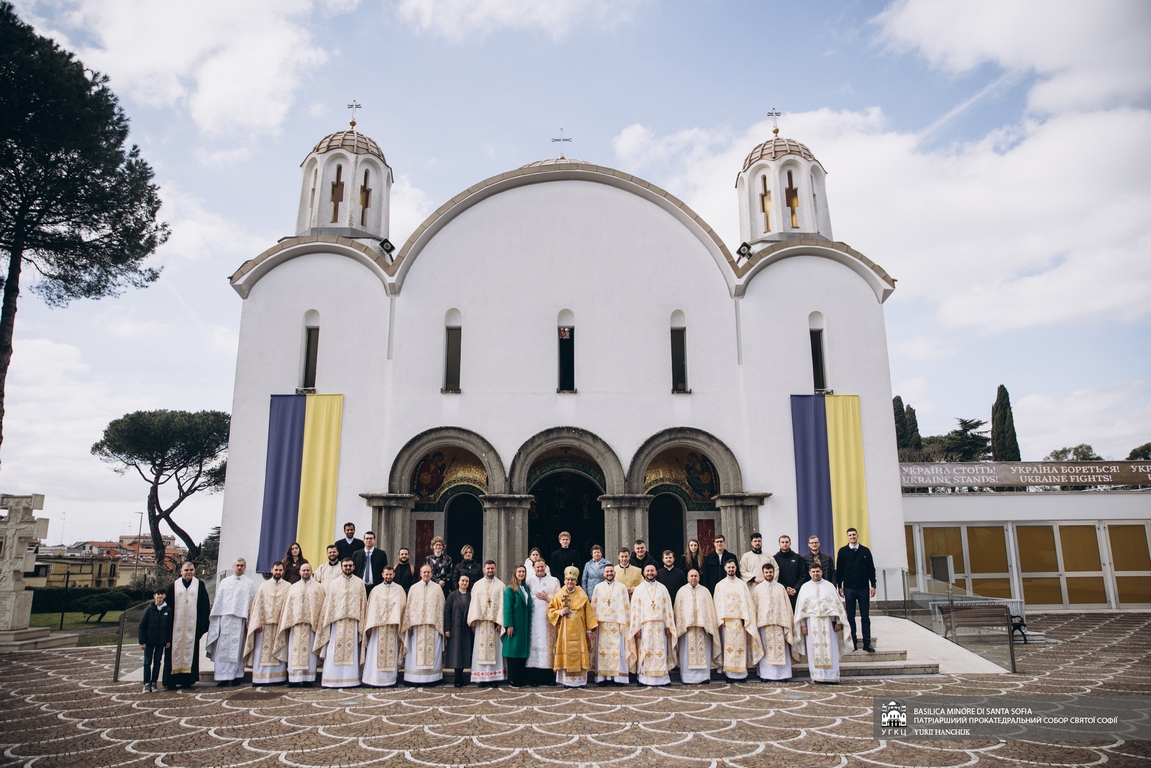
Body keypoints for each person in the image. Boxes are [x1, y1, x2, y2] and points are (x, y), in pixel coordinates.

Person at [312, 557, 367, 688]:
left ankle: (352, 679)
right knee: (333, 650)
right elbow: (328, 605)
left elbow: (363, 605)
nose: (348, 568)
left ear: (354, 567)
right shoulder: (334, 583)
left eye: (350, 566)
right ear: (341, 567)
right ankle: (332, 678)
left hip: (353, 623)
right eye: (345, 566)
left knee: (352, 650)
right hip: (336, 623)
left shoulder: (359, 583)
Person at [794, 562, 849, 683]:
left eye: (817, 571)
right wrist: (803, 625)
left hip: (829, 623)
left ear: (822, 572)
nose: (815, 574)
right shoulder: (805, 588)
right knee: (814, 650)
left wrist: (839, 621)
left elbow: (838, 606)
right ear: (809, 573)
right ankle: (817, 676)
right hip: (811, 623)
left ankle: (832, 676)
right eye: (813, 572)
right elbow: (800, 609)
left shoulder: (829, 586)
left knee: (831, 649)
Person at [206, 558, 257, 687]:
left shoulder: (249, 583)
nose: (239, 568)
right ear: (233, 566)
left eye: (242, 565)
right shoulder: (225, 582)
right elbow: (219, 600)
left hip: (240, 619)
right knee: (222, 647)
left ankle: (236, 676)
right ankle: (222, 676)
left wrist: (250, 621)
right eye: (237, 565)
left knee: (238, 648)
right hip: (225, 618)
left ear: (245, 567)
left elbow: (252, 603)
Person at [273, 562, 325, 687]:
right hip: (295, 627)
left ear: (311, 572)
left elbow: (321, 608)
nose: (306, 572)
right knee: (294, 653)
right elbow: (288, 607)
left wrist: (319, 625)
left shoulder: (318, 588)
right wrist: (287, 624)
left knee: (310, 655)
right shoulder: (293, 588)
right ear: (299, 572)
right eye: (303, 570)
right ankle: (294, 679)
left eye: (308, 570)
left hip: (310, 627)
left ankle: (308, 679)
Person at [712, 559, 763, 681]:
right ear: (725, 568)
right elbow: (717, 604)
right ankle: (729, 674)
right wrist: (720, 620)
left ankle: (741, 674)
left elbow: (748, 603)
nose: (731, 569)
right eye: (729, 567)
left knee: (741, 647)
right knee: (727, 648)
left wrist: (746, 619)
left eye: (733, 567)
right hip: (726, 623)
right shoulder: (720, 585)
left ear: (736, 568)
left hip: (740, 622)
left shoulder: (742, 584)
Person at [164, 561, 211, 690]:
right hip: (175, 627)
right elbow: (167, 606)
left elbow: (204, 606)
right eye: (186, 570)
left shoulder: (199, 585)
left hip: (192, 627)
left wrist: (201, 626)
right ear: (181, 571)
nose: (189, 572)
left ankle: (187, 680)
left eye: (191, 570)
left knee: (190, 651)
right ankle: (171, 680)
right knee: (173, 651)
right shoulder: (173, 586)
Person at [628, 564, 677, 686]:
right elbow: (634, 610)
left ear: (656, 572)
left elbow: (668, 608)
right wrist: (636, 628)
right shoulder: (638, 589)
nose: (650, 573)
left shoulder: (662, 588)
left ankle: (663, 679)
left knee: (661, 650)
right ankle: (644, 679)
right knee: (645, 651)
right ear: (644, 573)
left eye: (652, 570)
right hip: (645, 626)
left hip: (660, 626)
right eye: (648, 571)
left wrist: (668, 625)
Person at [548, 566, 597, 687]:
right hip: (564, 630)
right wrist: (560, 612)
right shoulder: (559, 594)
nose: (570, 582)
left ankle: (580, 681)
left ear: (576, 581)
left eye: (572, 580)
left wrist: (589, 630)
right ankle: (566, 681)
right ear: (564, 581)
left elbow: (589, 613)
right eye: (568, 580)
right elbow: (550, 610)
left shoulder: (582, 594)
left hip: (580, 630)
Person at [244, 561, 291, 685]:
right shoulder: (263, 586)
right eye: (276, 570)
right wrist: (256, 623)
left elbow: (289, 607)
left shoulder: (288, 586)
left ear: (283, 571)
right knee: (261, 651)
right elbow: (257, 605)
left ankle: (278, 677)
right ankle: (260, 677)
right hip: (264, 626)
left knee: (279, 650)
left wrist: (287, 624)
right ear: (271, 570)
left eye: (280, 570)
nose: (278, 572)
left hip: (279, 626)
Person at [673, 568, 721, 685]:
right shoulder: (682, 591)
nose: (693, 578)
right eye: (691, 576)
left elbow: (709, 610)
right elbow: (678, 611)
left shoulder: (705, 591)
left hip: (702, 629)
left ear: (699, 578)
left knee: (703, 651)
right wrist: (682, 625)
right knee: (687, 654)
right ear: (687, 578)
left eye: (695, 576)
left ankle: (704, 677)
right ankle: (687, 677)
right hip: (686, 630)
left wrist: (707, 625)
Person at [362, 565, 407, 688]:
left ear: (394, 575)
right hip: (378, 628)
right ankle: (374, 680)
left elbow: (403, 609)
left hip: (393, 628)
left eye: (390, 574)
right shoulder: (376, 590)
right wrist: (370, 625)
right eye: (386, 574)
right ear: (382, 575)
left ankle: (391, 680)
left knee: (391, 653)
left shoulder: (399, 590)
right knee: (375, 653)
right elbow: (371, 609)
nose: (388, 576)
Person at [402, 564, 446, 685]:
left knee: (433, 652)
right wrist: (409, 625)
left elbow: (441, 607)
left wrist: (440, 625)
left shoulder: (437, 589)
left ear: (432, 574)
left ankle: (433, 678)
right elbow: (409, 607)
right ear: (420, 574)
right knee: (416, 652)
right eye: (424, 572)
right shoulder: (413, 588)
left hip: (433, 626)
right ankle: (414, 678)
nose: (426, 574)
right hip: (417, 627)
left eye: (428, 572)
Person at [752, 562, 796, 682]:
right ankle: (766, 675)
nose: (769, 574)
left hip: (779, 623)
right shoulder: (758, 589)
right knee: (766, 650)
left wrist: (787, 620)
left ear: (774, 573)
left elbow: (786, 605)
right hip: (764, 624)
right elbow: (754, 606)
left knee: (782, 648)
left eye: (770, 572)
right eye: (766, 572)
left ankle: (783, 674)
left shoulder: (780, 587)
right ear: (763, 573)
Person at [836, 527, 876, 652]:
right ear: (847, 537)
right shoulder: (842, 552)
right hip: (849, 588)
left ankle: (867, 643)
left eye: (854, 535)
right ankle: (853, 642)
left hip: (863, 588)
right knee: (851, 616)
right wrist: (840, 586)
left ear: (857, 536)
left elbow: (871, 569)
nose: (852, 537)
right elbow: (840, 570)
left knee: (865, 616)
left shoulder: (865, 551)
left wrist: (873, 585)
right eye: (850, 535)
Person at [467, 560, 507, 686]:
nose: (490, 571)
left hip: (495, 624)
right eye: (488, 568)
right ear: (484, 570)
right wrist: (473, 623)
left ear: (495, 569)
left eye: (492, 568)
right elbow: (473, 604)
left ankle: (495, 678)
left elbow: (503, 605)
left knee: (495, 649)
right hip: (481, 623)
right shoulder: (477, 585)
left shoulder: (501, 586)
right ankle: (482, 678)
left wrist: (501, 621)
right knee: (481, 649)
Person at [590, 563, 631, 686]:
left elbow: (626, 606)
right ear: (603, 574)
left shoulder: (622, 587)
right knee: (602, 651)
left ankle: (619, 678)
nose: (609, 574)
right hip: (602, 624)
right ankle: (603, 678)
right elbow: (594, 606)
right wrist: (593, 624)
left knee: (618, 651)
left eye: (611, 571)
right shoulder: (598, 587)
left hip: (617, 623)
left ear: (615, 573)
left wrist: (625, 623)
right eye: (607, 572)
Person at [526, 558, 560, 686]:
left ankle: (548, 677)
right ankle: (533, 678)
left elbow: (559, 599)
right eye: (537, 567)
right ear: (534, 568)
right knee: (534, 645)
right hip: (533, 619)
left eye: (542, 566)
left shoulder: (554, 581)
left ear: (546, 566)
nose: (540, 569)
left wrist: (547, 597)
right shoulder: (529, 581)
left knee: (547, 645)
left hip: (547, 619)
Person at [502, 564, 532, 687]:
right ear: (515, 573)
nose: (521, 574)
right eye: (519, 572)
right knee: (513, 652)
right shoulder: (510, 589)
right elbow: (507, 608)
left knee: (521, 652)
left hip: (524, 624)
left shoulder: (526, 588)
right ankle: (513, 679)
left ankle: (520, 677)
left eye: (523, 572)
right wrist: (509, 625)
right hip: (515, 624)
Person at [137, 588, 171, 693]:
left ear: (164, 596)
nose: (159, 596)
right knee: (147, 662)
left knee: (157, 662)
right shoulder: (148, 609)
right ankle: (146, 683)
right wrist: (142, 641)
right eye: (158, 594)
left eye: (162, 594)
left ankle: (154, 682)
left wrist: (168, 640)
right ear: (154, 596)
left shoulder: (168, 610)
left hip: (160, 641)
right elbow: (141, 626)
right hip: (149, 640)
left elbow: (169, 627)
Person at [443, 573, 473, 687]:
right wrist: (447, 628)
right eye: (463, 581)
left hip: (466, 628)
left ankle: (461, 676)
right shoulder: (452, 595)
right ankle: (457, 678)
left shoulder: (471, 596)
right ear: (459, 582)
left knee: (464, 652)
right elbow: (447, 612)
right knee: (456, 653)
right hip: (455, 627)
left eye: (466, 581)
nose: (464, 583)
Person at [773, 535, 807, 609]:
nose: (785, 544)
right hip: (781, 593)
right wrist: (785, 588)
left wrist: (796, 588)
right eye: (783, 542)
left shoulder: (797, 558)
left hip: (796, 593)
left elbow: (803, 574)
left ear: (790, 543)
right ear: (779, 544)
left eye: (787, 542)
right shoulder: (774, 559)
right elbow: (774, 576)